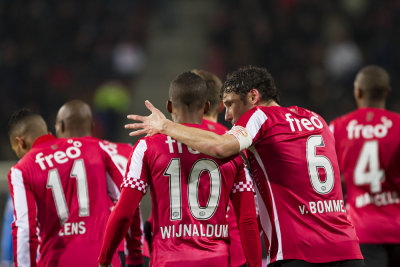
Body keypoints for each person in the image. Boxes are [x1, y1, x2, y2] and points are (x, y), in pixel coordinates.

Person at [125, 65, 364, 266]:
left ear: (253, 97)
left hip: (298, 252)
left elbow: (221, 147)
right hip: (347, 249)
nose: (227, 115)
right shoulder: (316, 119)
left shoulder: (259, 117)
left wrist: (165, 126)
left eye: (230, 104)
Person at [98, 72, 262, 267]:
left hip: (168, 260)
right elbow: (247, 220)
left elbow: (125, 212)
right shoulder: (232, 148)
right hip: (216, 260)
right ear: (208, 106)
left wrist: (105, 259)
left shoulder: (147, 146)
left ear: (168, 106)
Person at [7, 109, 127, 266]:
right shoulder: (92, 147)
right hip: (103, 261)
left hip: (57, 261)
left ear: (20, 143)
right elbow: (124, 200)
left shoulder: (22, 169)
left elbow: (25, 229)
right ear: (47, 132)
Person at [55, 99, 144, 267]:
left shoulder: (50, 159)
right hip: (128, 247)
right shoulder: (128, 149)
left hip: (84, 252)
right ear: (92, 125)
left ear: (61, 126)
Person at [329, 65, 400, 267]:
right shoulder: (398, 125)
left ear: (357, 92)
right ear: (387, 92)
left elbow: (328, 177)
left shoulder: (338, 127)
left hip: (361, 229)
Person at [192, 68, 247, 267]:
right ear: (221, 107)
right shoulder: (238, 143)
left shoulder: (168, 142)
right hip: (233, 252)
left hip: (181, 250)